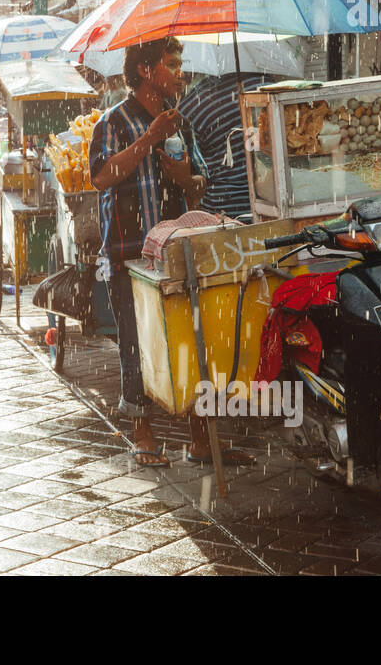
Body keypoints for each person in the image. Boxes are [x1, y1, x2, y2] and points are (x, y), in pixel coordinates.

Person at [90, 36, 252, 467]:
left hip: (178, 250)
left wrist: (184, 176)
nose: (181, 72)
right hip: (130, 250)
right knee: (136, 340)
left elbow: (200, 184)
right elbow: (103, 176)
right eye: (173, 63)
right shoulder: (114, 121)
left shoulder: (183, 123)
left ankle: (201, 439)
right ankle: (143, 433)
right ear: (146, 70)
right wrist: (150, 139)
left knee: (188, 338)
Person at [177, 71, 272, 222]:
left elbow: (192, 171)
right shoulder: (266, 85)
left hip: (223, 214)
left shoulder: (192, 105)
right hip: (270, 203)